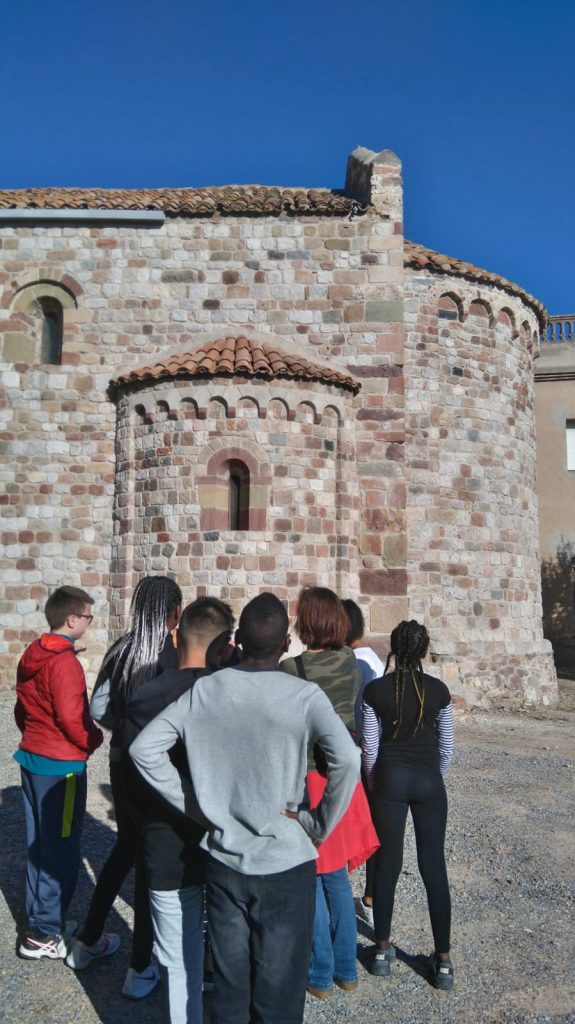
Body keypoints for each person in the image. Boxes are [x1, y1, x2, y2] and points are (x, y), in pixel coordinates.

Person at [130, 592, 360, 1024]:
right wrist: (318, 824)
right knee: (280, 991)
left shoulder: (205, 690)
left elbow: (145, 750)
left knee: (231, 986)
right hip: (285, 862)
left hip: (224, 859)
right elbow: (348, 759)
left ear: (237, 638)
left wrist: (194, 804)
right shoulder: (304, 696)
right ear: (286, 643)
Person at [66, 575, 182, 1000]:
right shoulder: (174, 656)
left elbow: (98, 707)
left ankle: (88, 939)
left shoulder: (121, 650)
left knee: (125, 849)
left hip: (121, 763)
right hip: (160, 768)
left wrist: (124, 727)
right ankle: (139, 966)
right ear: (174, 612)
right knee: (150, 859)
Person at [121, 597, 234, 1024]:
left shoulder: (145, 696)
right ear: (224, 646)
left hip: (165, 844)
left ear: (177, 637)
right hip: (225, 845)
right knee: (234, 956)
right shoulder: (228, 696)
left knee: (178, 964)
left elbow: (131, 781)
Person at [281, 587, 372, 999]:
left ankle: (319, 974)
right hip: (343, 781)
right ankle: (346, 968)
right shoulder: (351, 662)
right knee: (336, 877)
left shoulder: (291, 669)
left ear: (306, 622)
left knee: (313, 876)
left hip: (311, 780)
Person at [361, 619, 455, 990]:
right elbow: (447, 746)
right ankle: (443, 961)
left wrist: (376, 784)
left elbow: (371, 749)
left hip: (390, 781)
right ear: (424, 650)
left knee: (388, 864)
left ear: (394, 648)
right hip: (429, 782)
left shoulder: (375, 691)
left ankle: (382, 951)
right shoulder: (439, 691)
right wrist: (433, 775)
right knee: (434, 866)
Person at [13, 586, 103, 959]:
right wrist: (93, 740)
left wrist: (35, 735)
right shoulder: (64, 662)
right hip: (61, 767)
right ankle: (44, 933)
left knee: (39, 845)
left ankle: (40, 922)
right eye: (88, 617)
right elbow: (71, 717)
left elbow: (22, 707)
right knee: (62, 851)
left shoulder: (32, 652)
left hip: (34, 758)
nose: (90, 622)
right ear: (72, 619)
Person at [342, 597, 385, 929]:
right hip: (373, 752)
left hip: (355, 751)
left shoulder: (352, 663)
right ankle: (370, 895)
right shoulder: (374, 659)